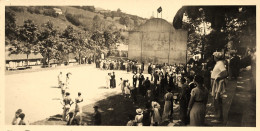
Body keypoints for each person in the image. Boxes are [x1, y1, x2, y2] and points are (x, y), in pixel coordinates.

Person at [211, 52, 228, 123]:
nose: (213, 57)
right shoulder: (218, 63)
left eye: (214, 56)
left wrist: (218, 77)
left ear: (216, 57)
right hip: (215, 84)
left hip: (217, 84)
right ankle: (217, 115)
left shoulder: (220, 63)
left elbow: (225, 73)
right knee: (216, 100)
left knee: (218, 100)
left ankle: (219, 118)